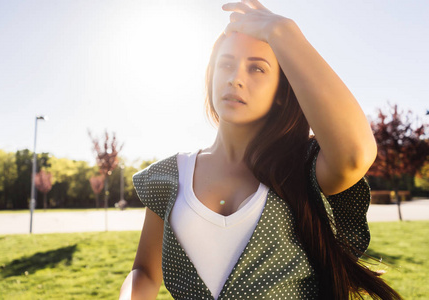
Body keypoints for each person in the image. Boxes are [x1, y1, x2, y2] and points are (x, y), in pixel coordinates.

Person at [120, 0, 402, 299]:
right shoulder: (166, 176)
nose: (235, 78)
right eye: (226, 64)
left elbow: (354, 155)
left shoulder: (305, 168)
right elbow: (145, 273)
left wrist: (283, 30)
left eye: (256, 68)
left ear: (281, 93)